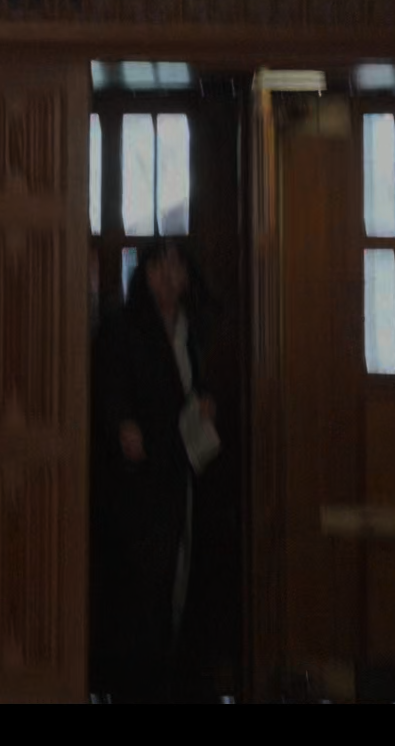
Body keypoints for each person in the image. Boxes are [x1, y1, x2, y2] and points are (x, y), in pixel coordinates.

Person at [95, 236, 222, 700]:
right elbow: (109, 386)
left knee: (179, 571)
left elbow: (194, 383)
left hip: (179, 464)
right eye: (159, 268)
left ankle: (174, 674)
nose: (169, 278)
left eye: (176, 269)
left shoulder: (190, 327)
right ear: (144, 273)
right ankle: (133, 682)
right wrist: (122, 424)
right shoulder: (123, 326)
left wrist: (205, 402)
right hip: (137, 475)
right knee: (139, 581)